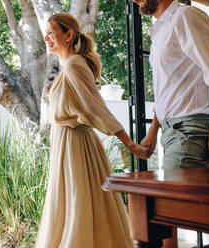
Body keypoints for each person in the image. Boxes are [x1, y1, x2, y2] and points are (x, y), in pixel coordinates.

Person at [133, 0, 209, 247]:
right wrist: (153, 132)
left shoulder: (186, 17)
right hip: (172, 130)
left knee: (166, 207)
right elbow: (167, 92)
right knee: (207, 207)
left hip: (191, 129)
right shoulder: (159, 31)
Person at [35, 12, 148, 248]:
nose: (47, 38)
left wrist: (130, 144)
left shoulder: (75, 64)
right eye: (46, 33)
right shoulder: (68, 65)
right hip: (66, 145)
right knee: (72, 205)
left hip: (76, 146)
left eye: (51, 32)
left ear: (68, 35)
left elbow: (97, 107)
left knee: (79, 205)